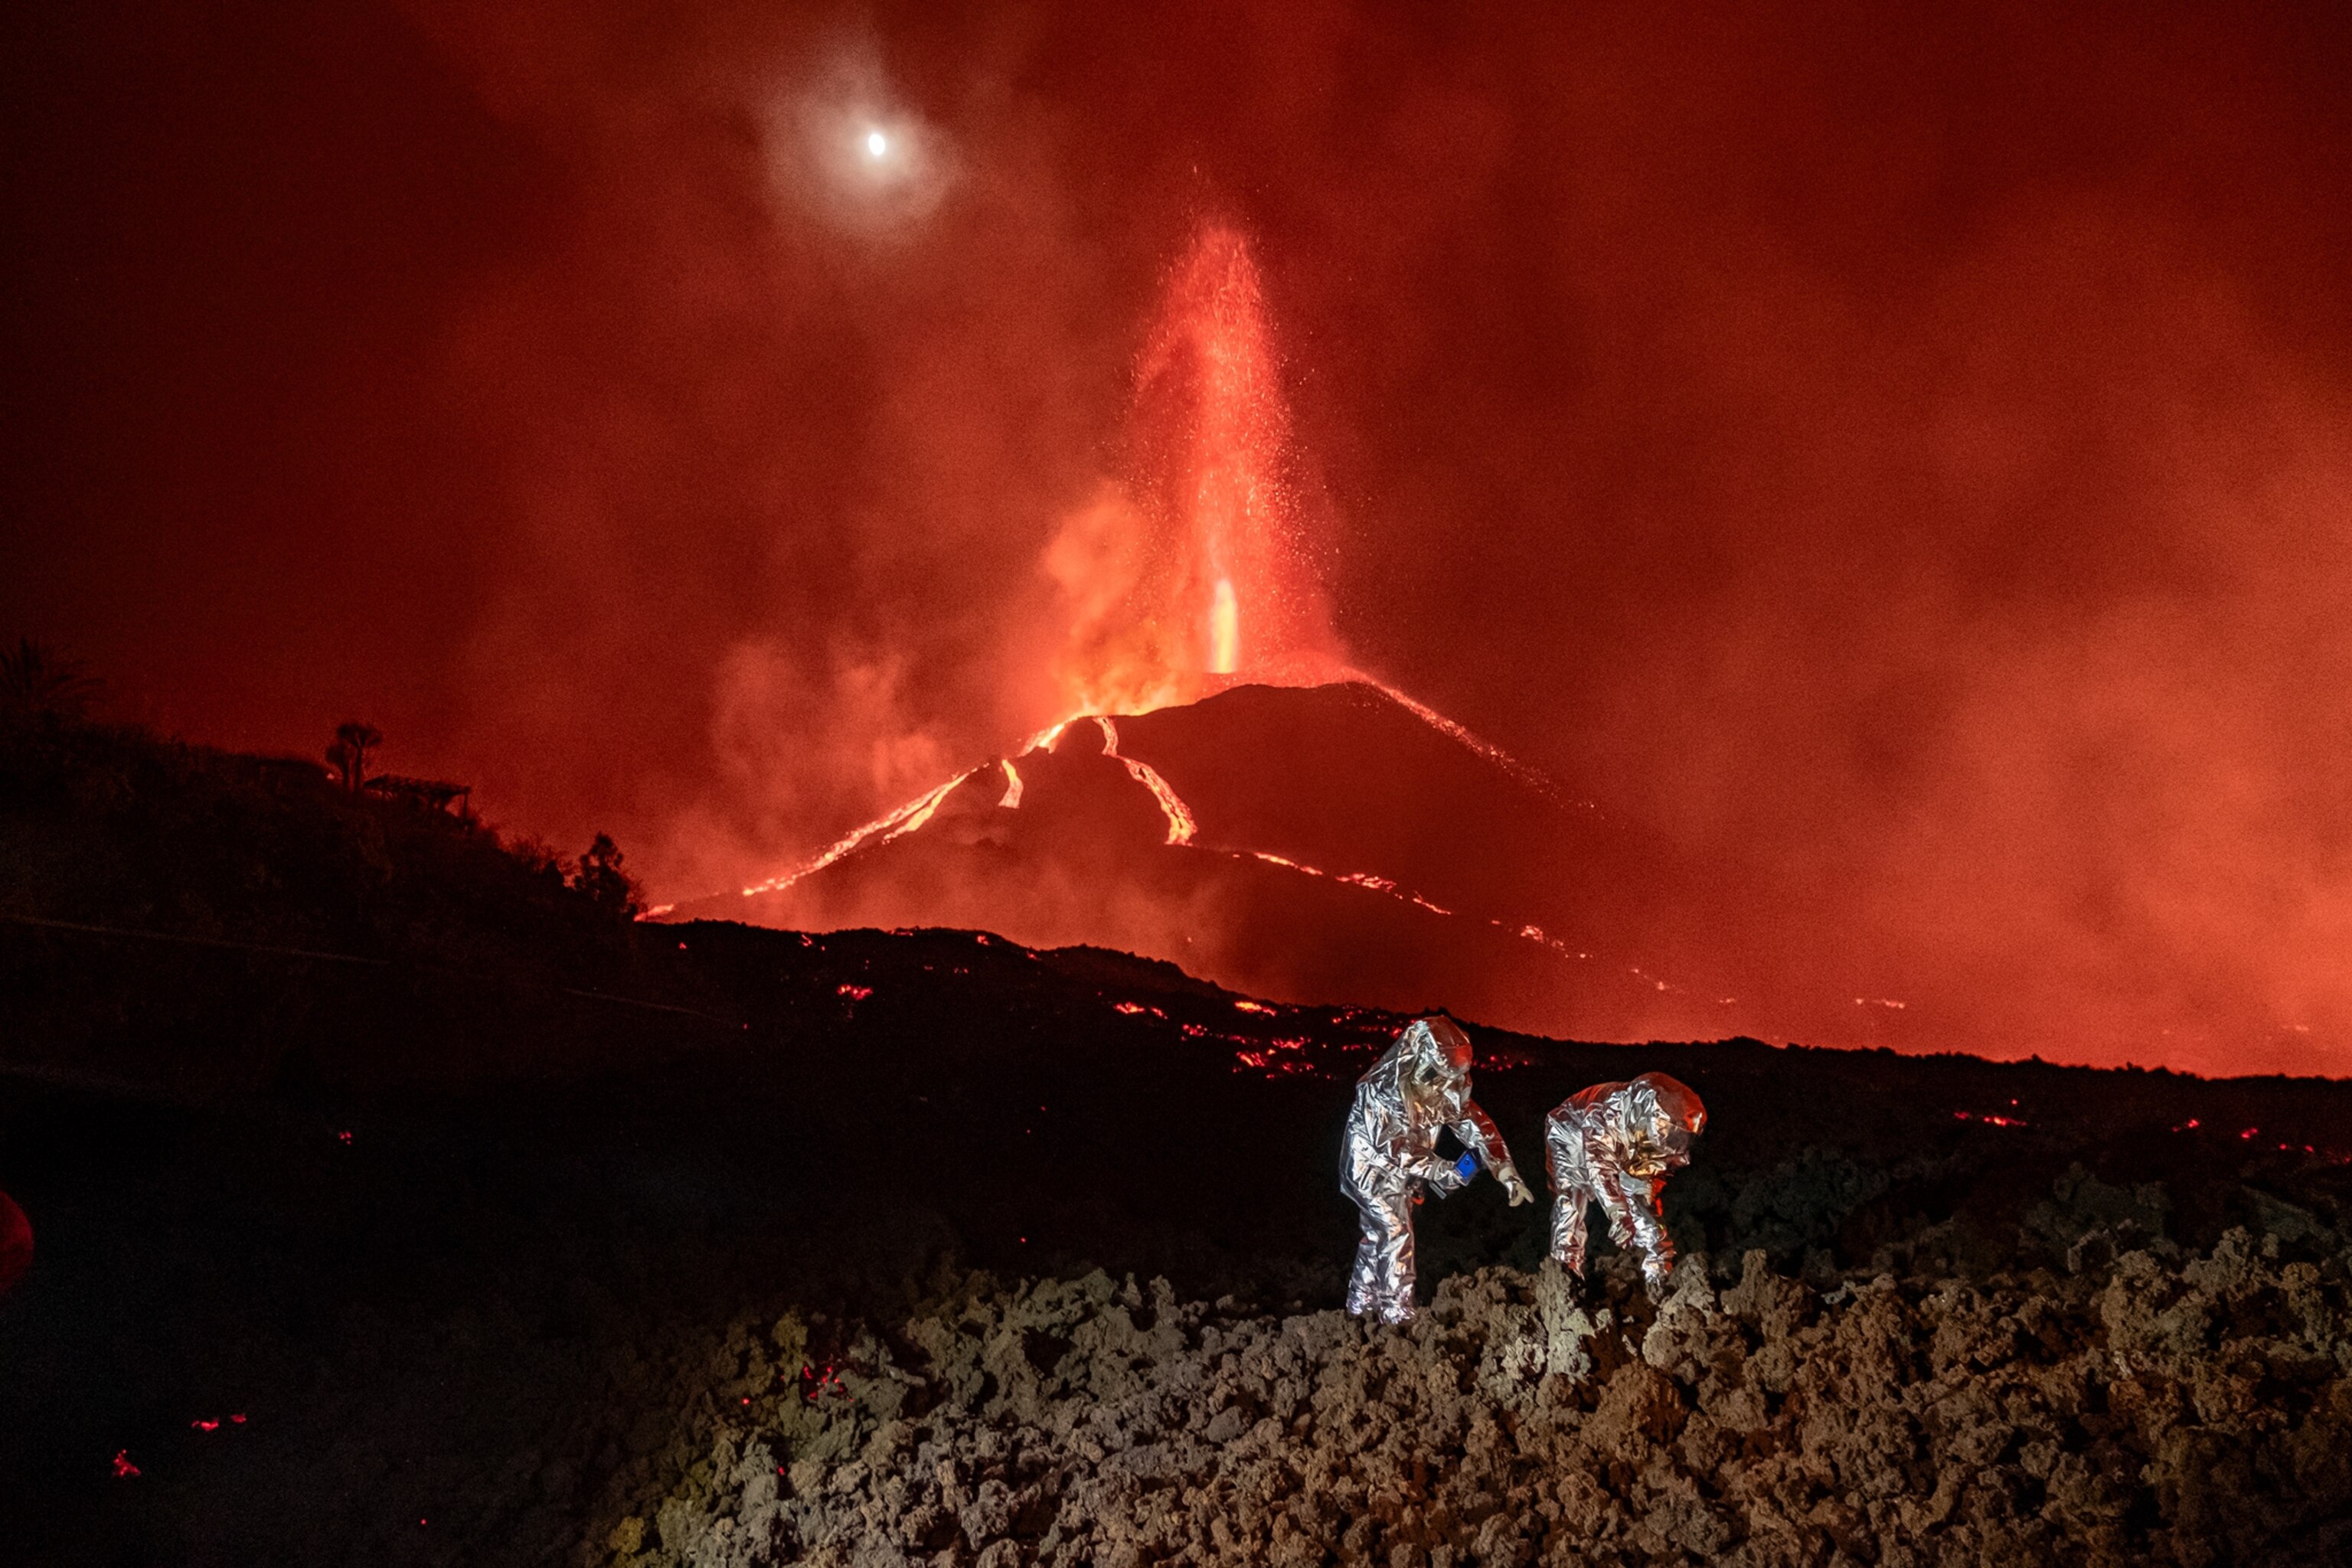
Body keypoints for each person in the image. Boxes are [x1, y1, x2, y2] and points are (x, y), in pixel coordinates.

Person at [1341, 1016, 1534, 1323]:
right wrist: (1442, 1170)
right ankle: (1396, 1314)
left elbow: (1476, 1126)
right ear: (1416, 1059)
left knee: (1377, 1235)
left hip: (1408, 1173)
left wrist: (1505, 1170)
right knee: (1395, 1232)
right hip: (1371, 1171)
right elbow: (1393, 1146)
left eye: (1450, 1077)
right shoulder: (1380, 1090)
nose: (1443, 1085)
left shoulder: (1448, 1086)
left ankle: (1358, 1305)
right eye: (1435, 1074)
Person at [1545, 1072, 1707, 1297]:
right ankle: (1564, 1284)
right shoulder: (1606, 1115)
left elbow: (1652, 1177)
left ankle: (1658, 1283)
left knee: (1647, 1219)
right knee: (1571, 1206)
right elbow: (1599, 1167)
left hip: (1627, 1149)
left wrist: (1641, 1200)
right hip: (1569, 1132)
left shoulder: (1669, 1137)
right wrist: (1618, 1211)